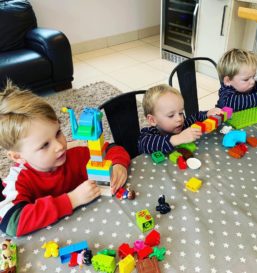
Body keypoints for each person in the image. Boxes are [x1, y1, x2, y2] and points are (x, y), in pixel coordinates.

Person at [0, 81, 130, 237]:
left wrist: (118, 165)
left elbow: (112, 149)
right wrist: (71, 199)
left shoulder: (73, 151)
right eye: (44, 145)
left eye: (58, 133)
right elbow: (11, 222)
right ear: (17, 156)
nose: (59, 146)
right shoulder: (18, 180)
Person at [138, 84, 223, 154]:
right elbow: (144, 145)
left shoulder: (183, 125)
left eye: (181, 113)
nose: (179, 118)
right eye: (171, 115)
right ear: (152, 120)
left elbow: (196, 117)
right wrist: (179, 138)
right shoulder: (148, 134)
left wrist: (207, 114)